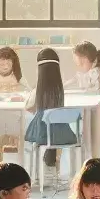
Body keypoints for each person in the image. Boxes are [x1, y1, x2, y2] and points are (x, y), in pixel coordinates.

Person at [24, 48, 74, 177]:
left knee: (32, 122)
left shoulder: (38, 90)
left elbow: (28, 107)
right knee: (53, 128)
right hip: (61, 134)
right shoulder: (59, 89)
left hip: (41, 134)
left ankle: (37, 173)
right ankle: (54, 165)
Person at [69, 41, 100, 155]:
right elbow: (77, 79)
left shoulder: (95, 71)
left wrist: (90, 92)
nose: (78, 65)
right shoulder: (91, 70)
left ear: (83, 59)